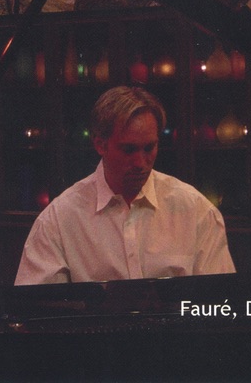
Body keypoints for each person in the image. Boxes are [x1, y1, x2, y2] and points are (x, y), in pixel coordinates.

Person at [15, 86, 235, 285]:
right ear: (100, 145)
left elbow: (220, 301)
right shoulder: (59, 219)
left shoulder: (196, 210)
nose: (140, 163)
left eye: (149, 148)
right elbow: (38, 307)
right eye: (128, 150)